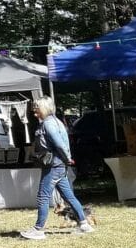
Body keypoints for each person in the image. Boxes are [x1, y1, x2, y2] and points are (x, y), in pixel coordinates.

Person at [21, 96, 94, 240]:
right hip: (59, 166)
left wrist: (67, 157)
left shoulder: (48, 124)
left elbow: (59, 144)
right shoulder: (57, 122)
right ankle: (84, 224)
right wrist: (66, 159)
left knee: (43, 197)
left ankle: (38, 230)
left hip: (53, 166)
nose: (35, 113)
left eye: (37, 110)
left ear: (44, 108)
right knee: (69, 196)